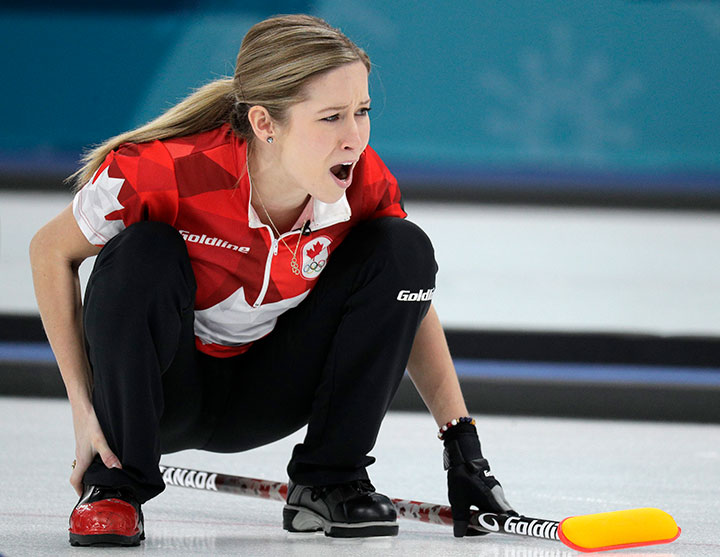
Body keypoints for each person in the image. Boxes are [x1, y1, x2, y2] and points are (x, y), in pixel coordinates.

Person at [29, 14, 514, 547]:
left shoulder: (361, 183)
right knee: (142, 251)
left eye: (362, 112)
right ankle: (115, 485)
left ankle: (331, 481)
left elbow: (409, 301)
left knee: (405, 248)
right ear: (264, 123)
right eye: (331, 117)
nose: (354, 138)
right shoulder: (162, 169)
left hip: (269, 396)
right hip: (162, 397)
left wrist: (462, 446)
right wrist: (82, 408)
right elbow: (49, 251)